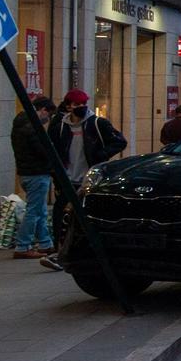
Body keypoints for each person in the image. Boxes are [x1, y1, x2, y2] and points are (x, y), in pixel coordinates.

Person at [41, 90, 126, 272]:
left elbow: (120, 141)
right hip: (67, 178)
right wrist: (55, 172)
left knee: (86, 216)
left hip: (89, 178)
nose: (81, 108)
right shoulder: (60, 127)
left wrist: (101, 155)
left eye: (83, 104)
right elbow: (51, 148)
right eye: (77, 105)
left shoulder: (97, 123)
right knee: (61, 214)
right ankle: (59, 251)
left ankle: (87, 251)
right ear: (69, 106)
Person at [10, 93, 57, 259]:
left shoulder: (21, 124)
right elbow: (43, 151)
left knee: (40, 210)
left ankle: (45, 243)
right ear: (43, 110)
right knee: (34, 211)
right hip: (36, 173)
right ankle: (23, 246)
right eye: (48, 115)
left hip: (26, 172)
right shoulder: (32, 129)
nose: (48, 119)